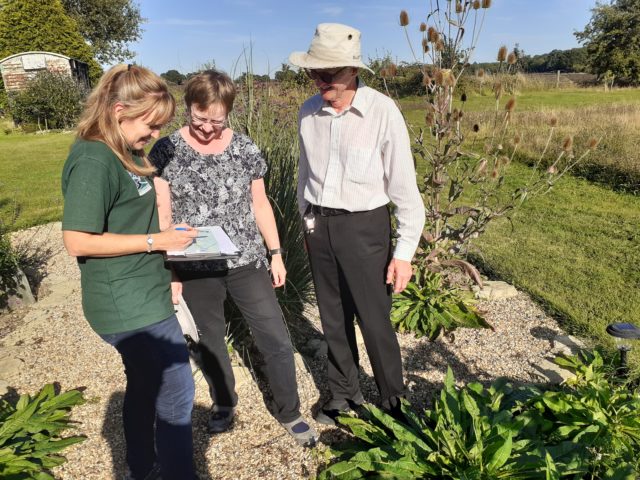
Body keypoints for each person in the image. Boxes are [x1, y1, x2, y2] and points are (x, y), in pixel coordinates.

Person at [148, 70, 318, 447]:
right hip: (194, 266)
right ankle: (224, 403)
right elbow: (163, 210)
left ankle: (289, 411)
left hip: (247, 262)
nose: (208, 127)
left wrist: (276, 253)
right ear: (188, 106)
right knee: (210, 340)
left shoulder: (244, 148)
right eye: (199, 117)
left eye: (217, 120)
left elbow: (260, 205)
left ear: (229, 112)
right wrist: (171, 268)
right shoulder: (165, 151)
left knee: (274, 338)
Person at [61, 64, 199, 480]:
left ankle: (142, 465)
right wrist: (158, 242)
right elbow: (77, 241)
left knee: (143, 383)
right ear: (120, 110)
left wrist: (167, 241)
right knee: (177, 388)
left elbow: (131, 218)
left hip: (145, 290)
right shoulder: (93, 158)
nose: (155, 134)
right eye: (151, 124)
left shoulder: (124, 149)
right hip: (125, 302)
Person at [289, 23, 426, 424]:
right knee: (332, 317)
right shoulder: (307, 112)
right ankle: (343, 395)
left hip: (365, 227)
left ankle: (394, 403)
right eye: (314, 72)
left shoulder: (382, 112)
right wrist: (304, 223)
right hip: (319, 224)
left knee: (373, 319)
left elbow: (405, 191)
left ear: (352, 71)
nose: (319, 80)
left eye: (328, 73)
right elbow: (304, 176)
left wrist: (403, 254)